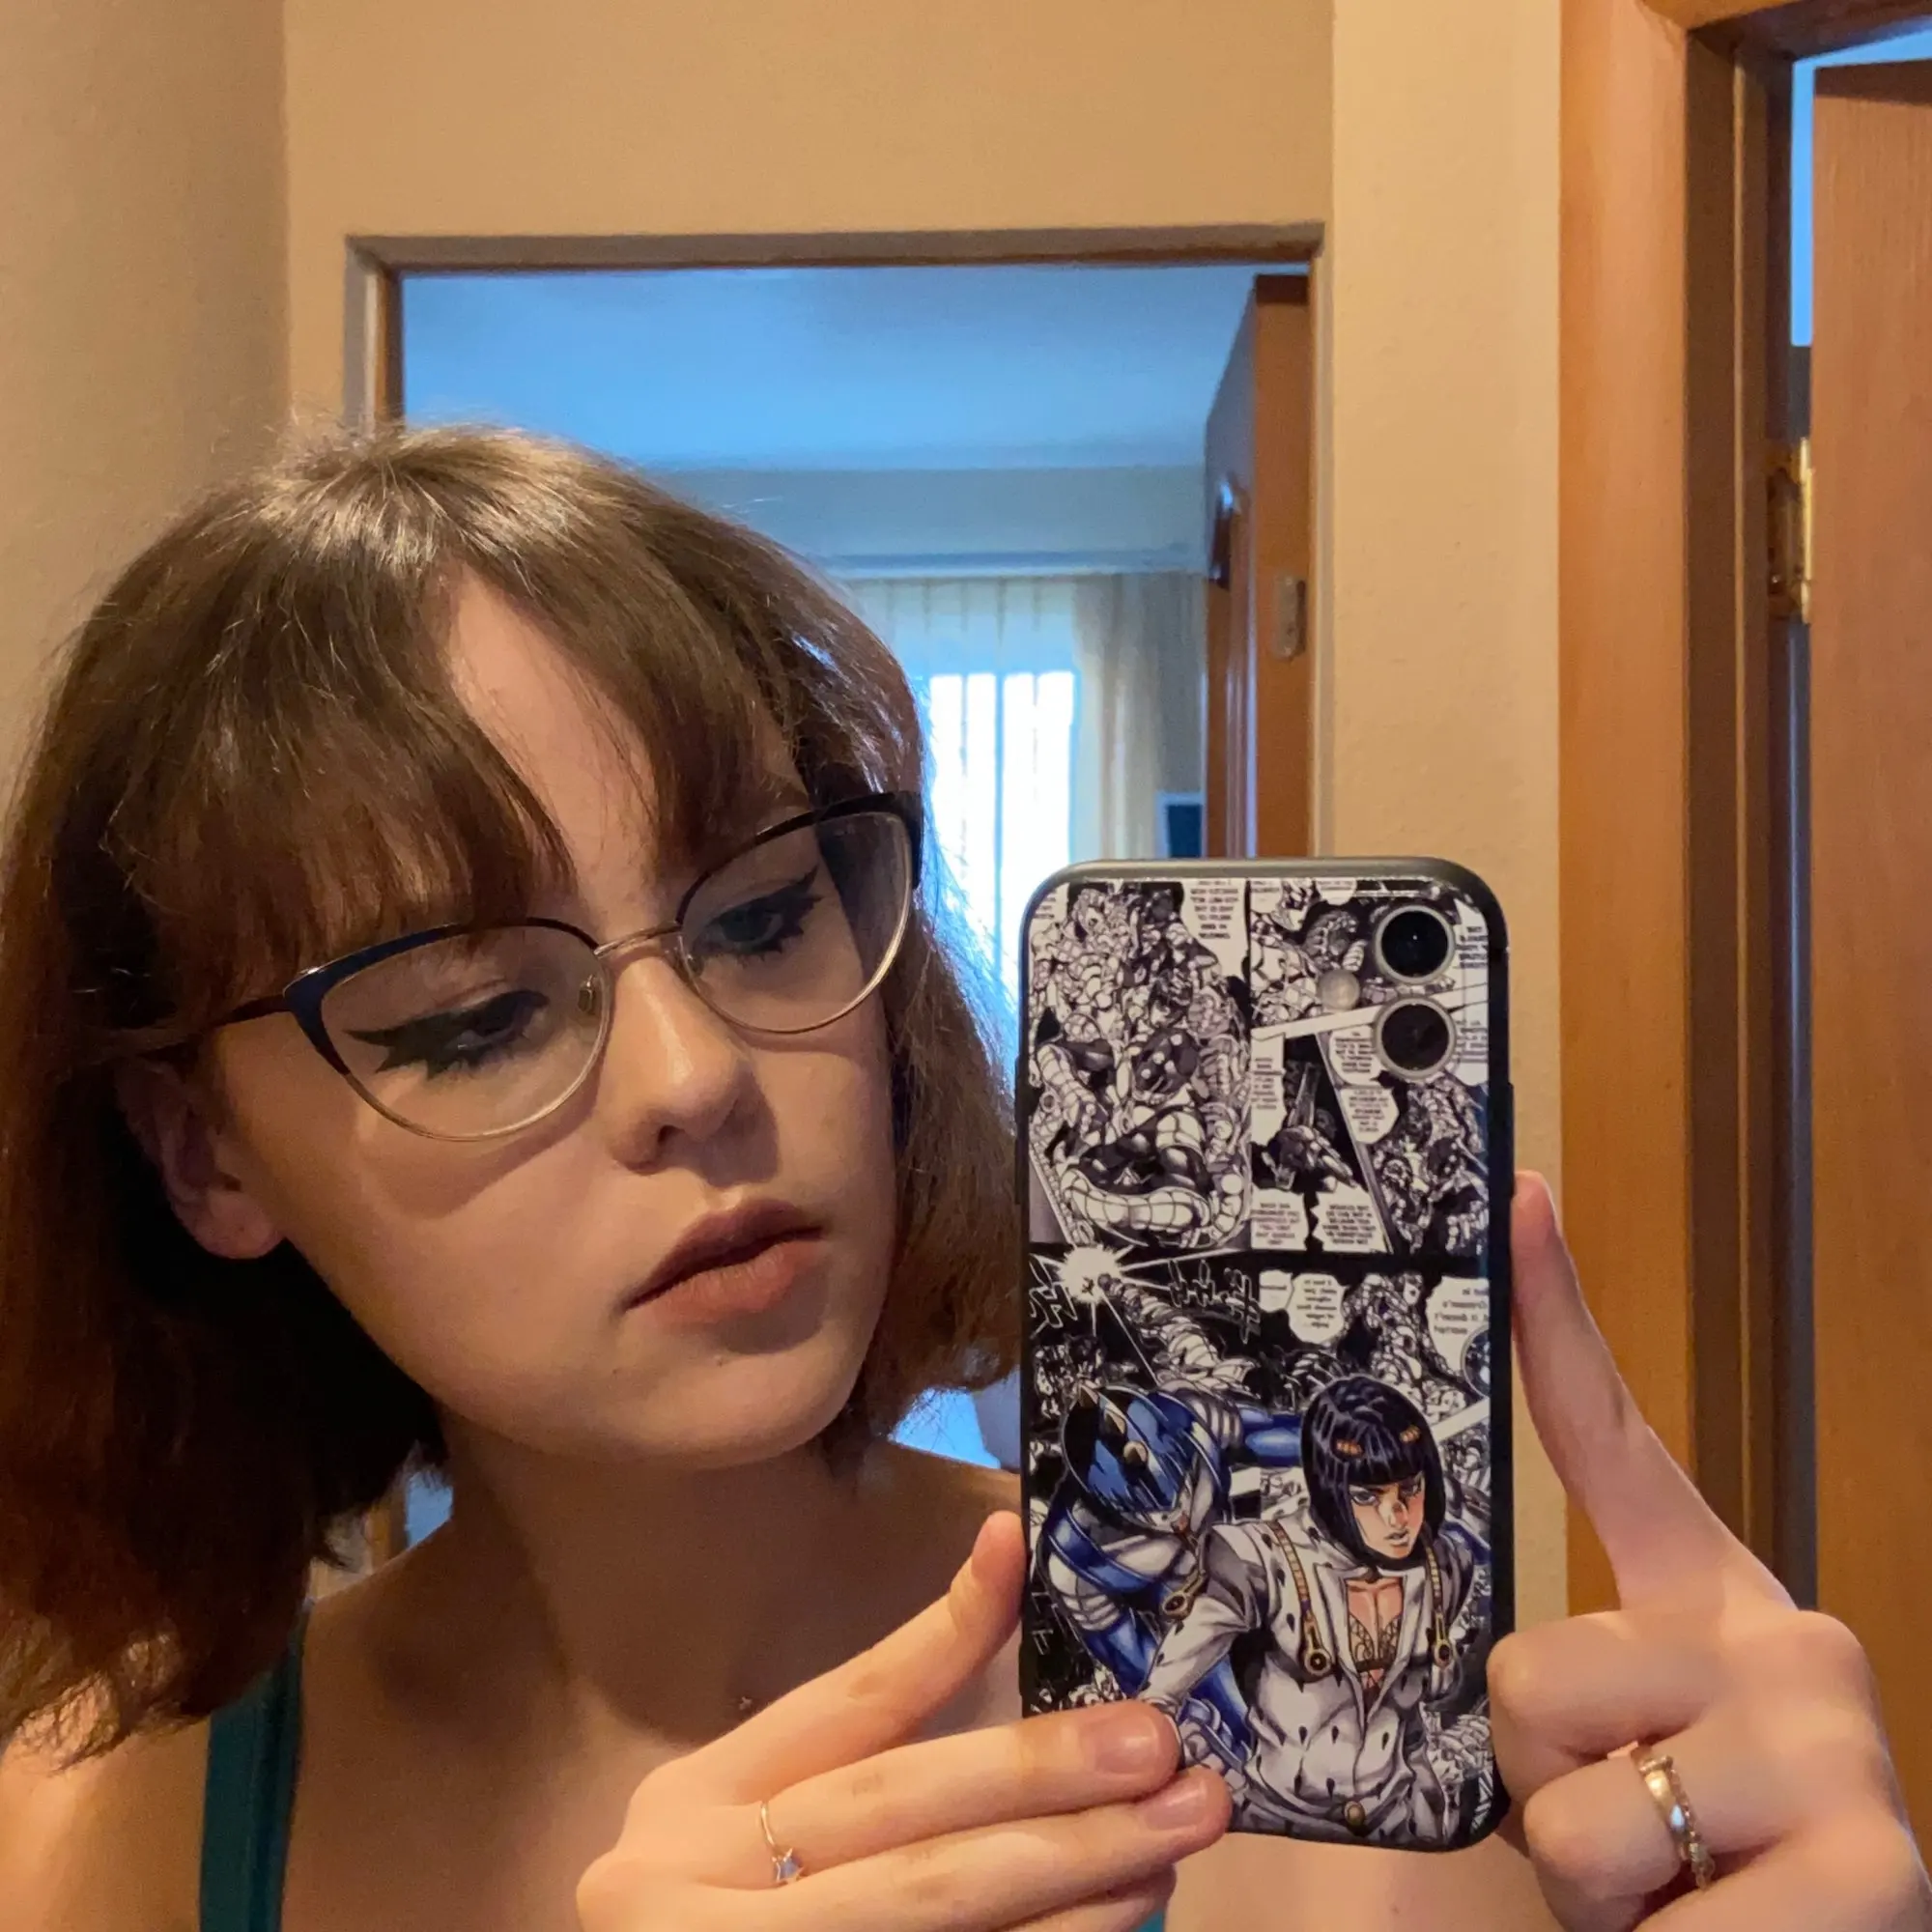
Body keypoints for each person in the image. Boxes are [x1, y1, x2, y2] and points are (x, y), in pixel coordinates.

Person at [0, 425, 1919, 1932]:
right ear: (203, 1151)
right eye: (475, 1015)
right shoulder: (105, 1827)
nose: (697, 1078)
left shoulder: (1291, 1760)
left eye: (765, 913)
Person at [1141, 1376, 1484, 1848]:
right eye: (1367, 1496)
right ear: (1331, 1491)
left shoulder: (1445, 1565)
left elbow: (1414, 1708)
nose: (1397, 1517)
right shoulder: (1260, 1560)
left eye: (1410, 1488)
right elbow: (1161, 1694)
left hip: (1404, 1822)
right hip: (1277, 1828)